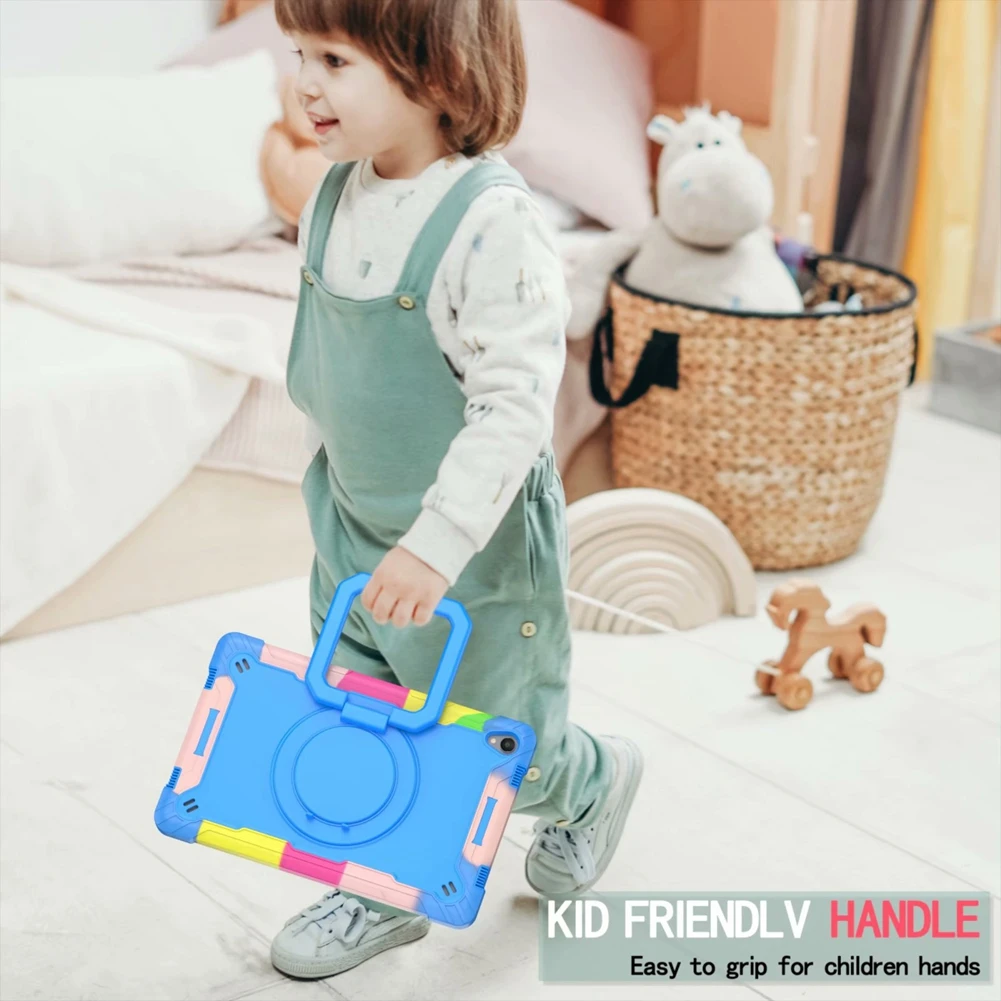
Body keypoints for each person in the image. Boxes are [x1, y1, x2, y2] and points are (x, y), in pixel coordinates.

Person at [271, 0, 643, 980]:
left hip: (473, 553)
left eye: (334, 60)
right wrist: (327, 492)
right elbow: (333, 370)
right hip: (353, 526)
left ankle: (590, 779)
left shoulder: (491, 225)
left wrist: (434, 545)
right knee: (359, 718)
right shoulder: (330, 195)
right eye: (299, 53)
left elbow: (514, 412)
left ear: (435, 72)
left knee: (493, 749)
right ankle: (378, 890)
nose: (303, 83)